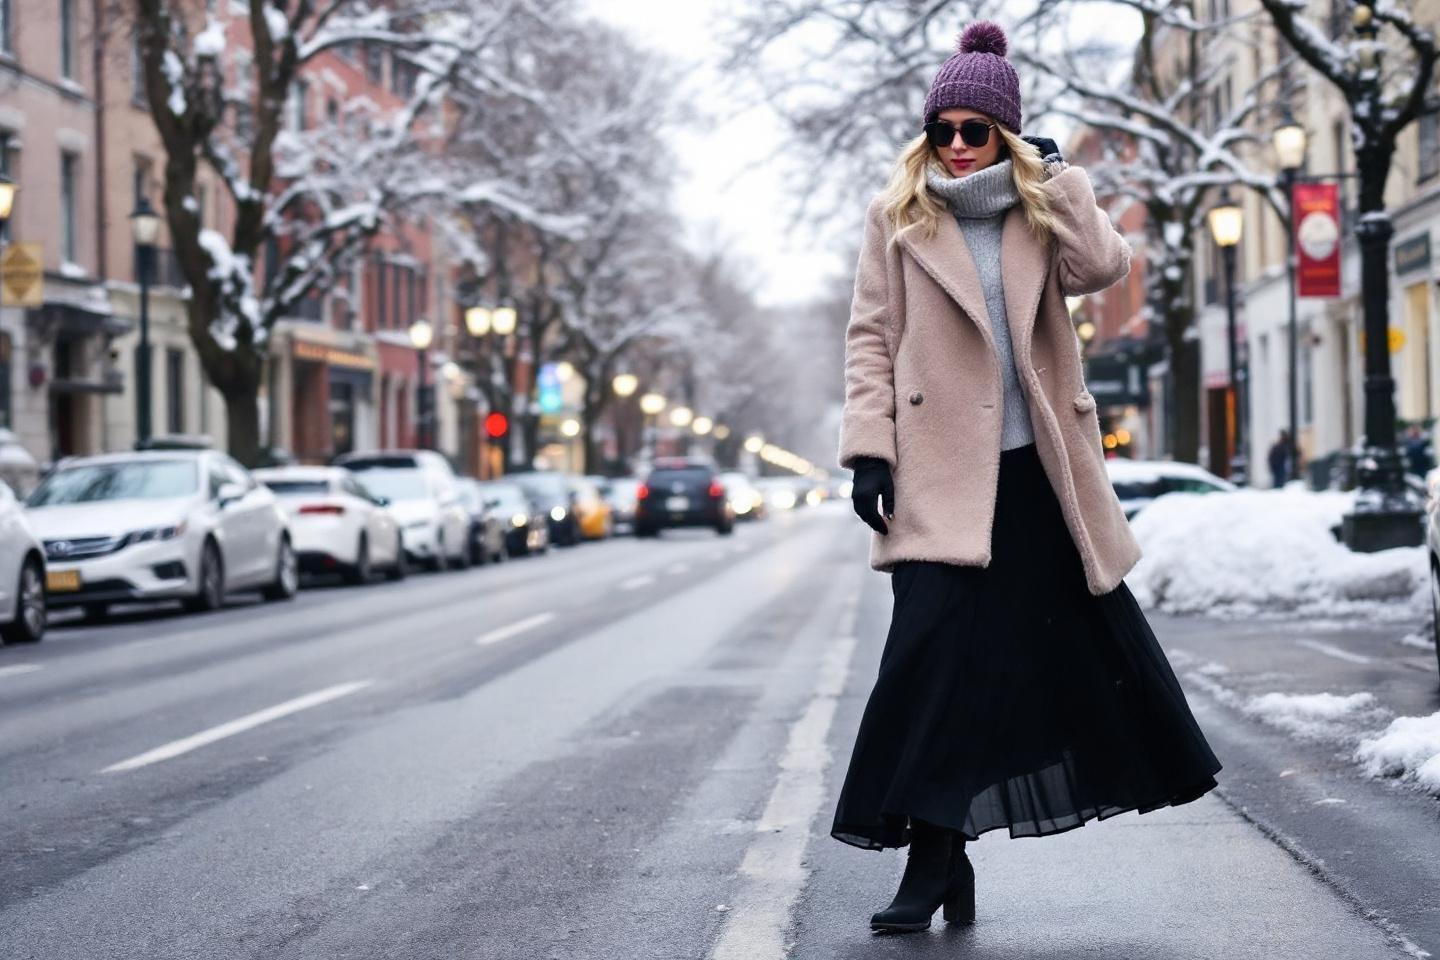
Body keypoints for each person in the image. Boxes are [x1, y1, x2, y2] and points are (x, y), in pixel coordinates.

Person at [835, 21, 1222, 935]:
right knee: (929, 663)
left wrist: (1060, 181)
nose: (960, 145)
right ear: (926, 135)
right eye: (945, 129)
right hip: (936, 475)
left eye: (978, 129)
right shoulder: (898, 218)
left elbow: (1103, 267)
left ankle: (944, 850)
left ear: (1006, 133)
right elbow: (868, 337)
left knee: (1027, 666)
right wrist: (869, 450)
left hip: (1037, 474)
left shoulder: (1039, 209)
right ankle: (935, 851)